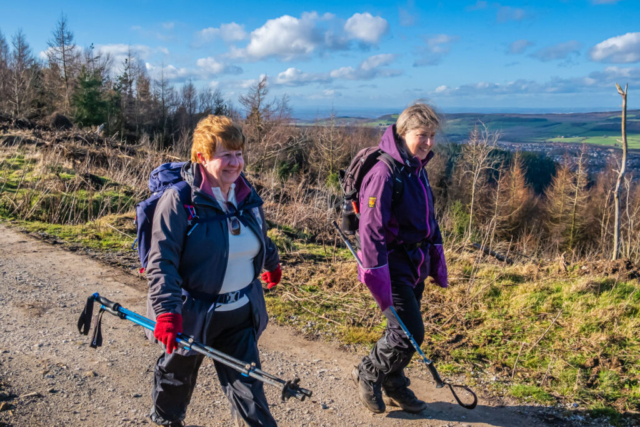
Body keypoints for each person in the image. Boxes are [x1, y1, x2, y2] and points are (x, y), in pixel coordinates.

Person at [145, 115, 282, 427]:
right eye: (226, 155)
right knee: (175, 384)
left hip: (239, 315)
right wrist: (167, 312)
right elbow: (161, 260)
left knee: (251, 395)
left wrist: (271, 263)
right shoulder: (179, 200)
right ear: (202, 158)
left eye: (239, 153)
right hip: (191, 314)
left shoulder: (245, 195)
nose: (235, 163)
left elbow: (259, 236)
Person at [352, 103, 449, 414]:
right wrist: (375, 274)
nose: (429, 143)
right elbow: (370, 230)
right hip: (390, 265)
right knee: (409, 332)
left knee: (404, 331)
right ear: (403, 132)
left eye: (433, 136)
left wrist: (435, 255)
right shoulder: (384, 172)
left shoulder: (415, 167)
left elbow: (428, 218)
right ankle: (369, 372)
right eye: (422, 135)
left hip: (414, 263)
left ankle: (394, 384)